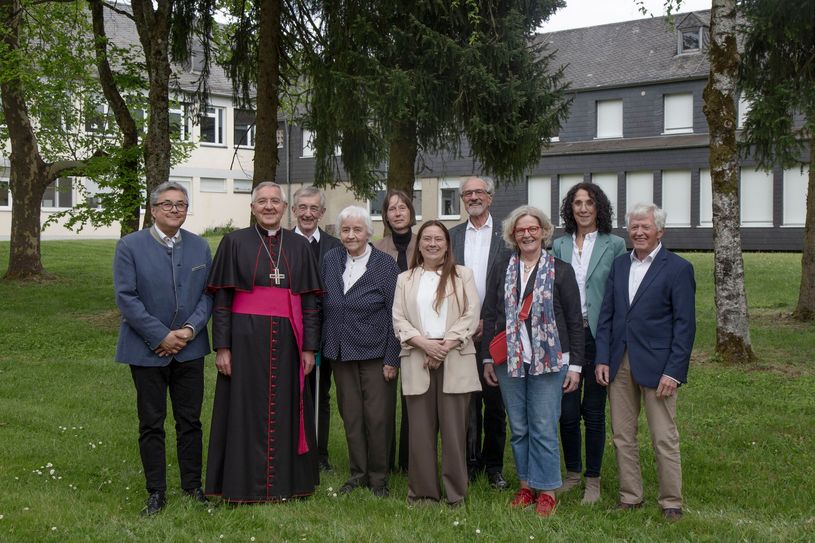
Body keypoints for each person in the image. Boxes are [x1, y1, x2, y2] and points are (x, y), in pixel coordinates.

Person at [205, 181, 323, 503]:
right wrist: (223, 347)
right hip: (244, 343)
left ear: (285, 208)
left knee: (287, 408)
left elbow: (311, 304)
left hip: (289, 344)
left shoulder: (299, 248)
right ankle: (242, 485)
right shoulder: (233, 242)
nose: (269, 207)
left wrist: (309, 348)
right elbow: (223, 301)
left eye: (275, 201)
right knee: (242, 410)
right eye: (262, 202)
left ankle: (289, 485)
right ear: (252, 207)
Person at [113, 181, 213, 516]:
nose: (175, 209)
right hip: (147, 351)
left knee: (190, 420)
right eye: (167, 204)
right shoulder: (130, 246)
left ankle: (192, 486)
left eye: (181, 204)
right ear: (154, 209)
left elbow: (208, 295)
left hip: (190, 347)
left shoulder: (200, 247)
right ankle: (156, 492)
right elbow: (126, 297)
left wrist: (187, 331)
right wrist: (160, 336)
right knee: (151, 422)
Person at [594, 203, 695, 521]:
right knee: (622, 435)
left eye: (645, 227)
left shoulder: (678, 268)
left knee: (663, 436)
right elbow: (607, 315)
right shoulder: (620, 265)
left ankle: (671, 502)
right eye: (634, 227)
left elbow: (685, 325)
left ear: (660, 232)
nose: (638, 232)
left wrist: (674, 371)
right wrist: (602, 358)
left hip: (659, 366)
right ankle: (630, 496)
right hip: (619, 362)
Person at [481, 205, 584, 517]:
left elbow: (575, 322)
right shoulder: (502, 266)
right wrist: (487, 357)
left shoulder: (561, 270)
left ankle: (548, 490)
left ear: (543, 232)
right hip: (510, 359)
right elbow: (490, 313)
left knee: (542, 426)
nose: (527, 234)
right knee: (520, 427)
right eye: (520, 230)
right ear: (513, 234)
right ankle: (526, 486)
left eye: (532, 228)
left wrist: (576, 366)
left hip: (550, 360)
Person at [392, 221, 481, 506]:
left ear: (447, 243)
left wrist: (443, 346)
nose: (432, 243)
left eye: (438, 239)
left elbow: (470, 315)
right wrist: (425, 344)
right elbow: (399, 319)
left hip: (454, 356)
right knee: (420, 432)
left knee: (455, 433)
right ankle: (423, 494)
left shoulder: (463, 275)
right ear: (418, 245)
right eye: (426, 238)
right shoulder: (405, 279)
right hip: (418, 357)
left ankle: (456, 495)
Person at [552, 183, 627, 504]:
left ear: (599, 208)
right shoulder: (558, 246)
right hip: (566, 336)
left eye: (589, 203)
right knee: (567, 412)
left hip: (600, 336)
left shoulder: (615, 245)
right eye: (577, 203)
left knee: (593, 412)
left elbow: (620, 297)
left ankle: (593, 481)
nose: (583, 208)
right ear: (570, 208)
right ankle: (572, 473)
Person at [322, 206, 401, 497]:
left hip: (376, 355)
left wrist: (392, 359)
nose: (351, 235)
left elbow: (397, 314)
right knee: (351, 416)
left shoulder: (385, 265)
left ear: (369, 232)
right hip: (340, 353)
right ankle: (358, 474)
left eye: (357, 229)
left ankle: (379, 479)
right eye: (345, 230)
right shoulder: (331, 260)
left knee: (378, 417)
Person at [449, 175, 510, 490]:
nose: (473, 197)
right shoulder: (452, 236)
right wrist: (463, 323)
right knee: (467, 402)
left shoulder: (507, 236)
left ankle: (494, 465)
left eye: (478, 192)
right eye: (467, 193)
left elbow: (512, 285)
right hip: (460, 333)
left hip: (496, 331)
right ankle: (469, 463)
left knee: (496, 402)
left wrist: (490, 321)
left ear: (490, 196)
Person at [292, 185, 343, 472]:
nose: (308, 213)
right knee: (294, 392)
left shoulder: (335, 246)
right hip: (291, 331)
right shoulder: (284, 243)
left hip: (327, 334)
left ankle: (319, 454)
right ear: (294, 210)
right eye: (303, 207)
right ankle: (293, 448)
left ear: (322, 213)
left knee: (320, 396)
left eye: (314, 208)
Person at [374, 189, 417, 472]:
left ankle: (409, 461)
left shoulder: (426, 243)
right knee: (384, 403)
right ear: (385, 215)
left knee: (413, 400)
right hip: (384, 331)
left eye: (403, 208)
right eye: (392, 209)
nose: (398, 213)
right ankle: (384, 460)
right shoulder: (377, 248)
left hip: (418, 332)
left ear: (411, 212)